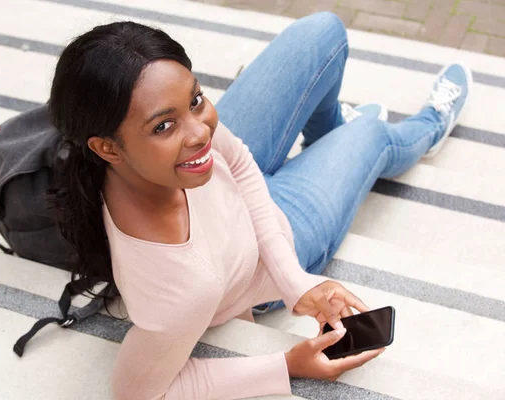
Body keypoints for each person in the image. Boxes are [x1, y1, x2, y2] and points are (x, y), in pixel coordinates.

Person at [46, 12, 471, 400]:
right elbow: (137, 394)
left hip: (231, 204)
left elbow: (241, 162)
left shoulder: (155, 148)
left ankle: (331, 130)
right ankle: (428, 128)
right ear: (107, 148)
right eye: (164, 124)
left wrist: (296, 283)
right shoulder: (183, 290)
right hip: (272, 246)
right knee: (372, 135)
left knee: (323, 32)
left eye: (195, 100)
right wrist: (287, 365)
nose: (200, 132)